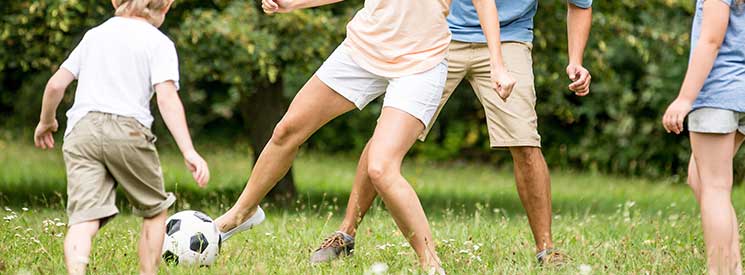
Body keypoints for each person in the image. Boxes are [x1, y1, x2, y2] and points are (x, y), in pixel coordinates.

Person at [213, 0, 514, 272]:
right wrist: (294, 4)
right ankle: (242, 213)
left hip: (420, 64)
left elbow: (485, 3)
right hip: (362, 50)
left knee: (381, 168)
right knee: (286, 130)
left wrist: (498, 65)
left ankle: (431, 264)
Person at [309, 0, 595, 266]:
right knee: (388, 136)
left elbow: (580, 4)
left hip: (509, 38)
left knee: (525, 141)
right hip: (440, 33)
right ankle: (345, 235)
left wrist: (575, 60)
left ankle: (546, 248)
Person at [33, 0, 211, 274]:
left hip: (82, 131)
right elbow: (166, 98)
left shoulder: (94, 35)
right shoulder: (159, 43)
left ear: (117, 2)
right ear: (165, 8)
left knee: (83, 219)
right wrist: (188, 150)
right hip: (128, 131)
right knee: (154, 210)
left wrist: (47, 121)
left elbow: (56, 84)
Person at [661, 0, 745, 274]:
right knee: (699, 176)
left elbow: (711, 40)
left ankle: (720, 270)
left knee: (714, 187)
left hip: (719, 92)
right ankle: (733, 266)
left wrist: (684, 99)